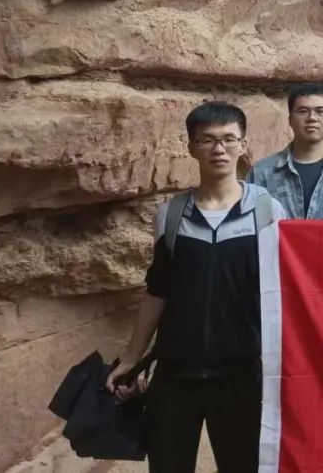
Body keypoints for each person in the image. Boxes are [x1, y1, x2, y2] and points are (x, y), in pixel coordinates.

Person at [105, 101, 286, 473]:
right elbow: (157, 291)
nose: (219, 149)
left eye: (228, 139)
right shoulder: (171, 215)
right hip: (175, 373)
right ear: (191, 148)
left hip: (241, 375)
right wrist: (131, 357)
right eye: (207, 140)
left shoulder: (269, 213)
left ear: (243, 145)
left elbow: (283, 295)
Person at [247, 82, 323, 220]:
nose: (312, 118)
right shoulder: (262, 173)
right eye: (303, 111)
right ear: (290, 119)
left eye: (320, 111)